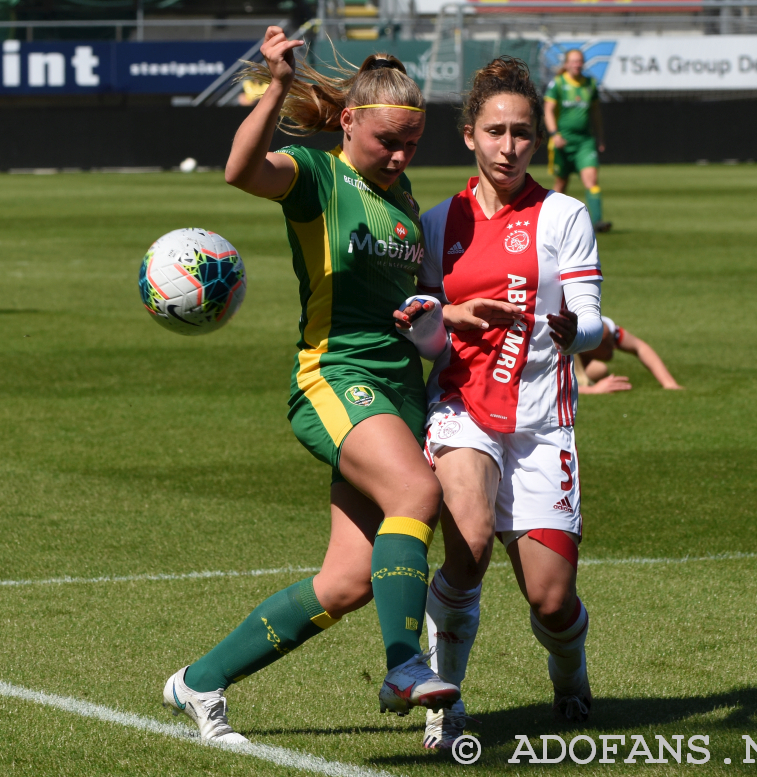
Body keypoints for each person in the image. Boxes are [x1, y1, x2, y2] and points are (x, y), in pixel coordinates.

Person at [162, 26, 460, 744]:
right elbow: (240, 171)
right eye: (388, 139)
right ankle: (402, 666)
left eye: (411, 144)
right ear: (350, 121)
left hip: (399, 387)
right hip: (335, 378)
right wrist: (274, 83)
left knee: (349, 581)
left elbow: (421, 299)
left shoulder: (405, 194)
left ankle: (198, 682)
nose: (399, 155)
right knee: (417, 494)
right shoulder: (316, 176)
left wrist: (430, 320)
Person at [395, 56, 604, 750]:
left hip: (545, 423)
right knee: (471, 542)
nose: (509, 146)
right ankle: (444, 703)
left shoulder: (564, 214)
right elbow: (427, 336)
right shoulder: (437, 220)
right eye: (495, 131)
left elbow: (595, 320)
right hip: (461, 408)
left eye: (520, 133)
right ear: (469, 136)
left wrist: (581, 330)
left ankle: (568, 669)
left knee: (550, 601)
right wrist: (439, 317)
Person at [544, 49, 611, 233]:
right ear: (566, 63)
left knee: (592, 180)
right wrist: (554, 134)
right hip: (563, 142)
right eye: (573, 61)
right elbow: (548, 110)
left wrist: (600, 136)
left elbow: (595, 113)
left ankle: (597, 222)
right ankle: (549, 222)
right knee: (561, 184)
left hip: (584, 142)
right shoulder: (558, 83)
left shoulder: (590, 84)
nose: (577, 64)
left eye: (580, 61)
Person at [577, 315, 683, 393]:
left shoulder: (604, 329)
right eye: (607, 345)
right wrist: (593, 390)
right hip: (567, 364)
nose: (614, 347)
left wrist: (669, 384)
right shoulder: (563, 347)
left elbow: (639, 347)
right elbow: (559, 389)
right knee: (587, 374)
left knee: (600, 369)